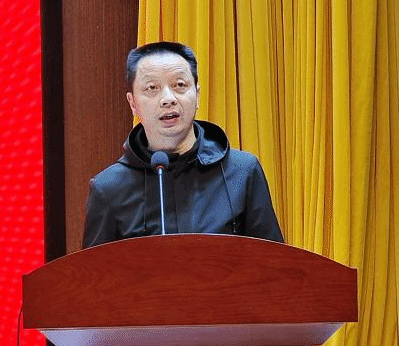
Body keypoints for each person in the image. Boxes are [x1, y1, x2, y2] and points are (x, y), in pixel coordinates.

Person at [82, 41, 284, 248]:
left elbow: (275, 261)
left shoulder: (242, 171)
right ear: (133, 103)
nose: (168, 99)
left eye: (179, 85)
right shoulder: (108, 189)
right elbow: (94, 268)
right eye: (152, 88)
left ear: (197, 95)